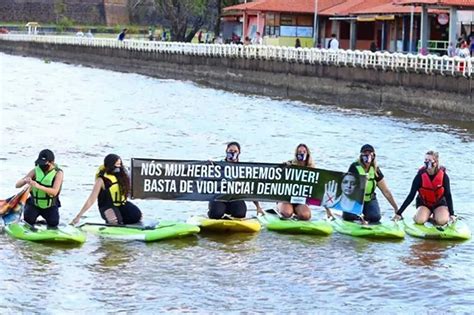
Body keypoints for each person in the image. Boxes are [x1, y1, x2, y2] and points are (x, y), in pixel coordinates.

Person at [71, 154, 142, 225]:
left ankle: (124, 224)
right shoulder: (101, 180)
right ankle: (115, 225)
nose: (118, 167)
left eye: (120, 164)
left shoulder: (122, 177)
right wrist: (78, 216)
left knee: (137, 215)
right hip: (107, 206)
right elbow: (91, 199)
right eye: (116, 164)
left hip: (121, 204)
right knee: (115, 221)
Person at [393, 151, 454, 226]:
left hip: (439, 203)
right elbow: (411, 196)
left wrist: (452, 214)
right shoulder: (419, 176)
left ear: (436, 162)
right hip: (424, 203)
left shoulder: (444, 176)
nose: (427, 162)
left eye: (429, 160)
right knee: (420, 220)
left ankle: (437, 216)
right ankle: (424, 215)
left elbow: (448, 195)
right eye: (426, 160)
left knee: (442, 221)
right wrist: (399, 213)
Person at [343, 144, 398, 223]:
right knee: (350, 217)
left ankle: (365, 215)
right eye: (365, 153)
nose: (367, 156)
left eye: (370, 154)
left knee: (375, 217)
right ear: (361, 156)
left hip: (369, 199)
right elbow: (348, 187)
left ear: (373, 156)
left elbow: (385, 191)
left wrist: (396, 208)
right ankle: (358, 217)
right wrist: (362, 181)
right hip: (355, 199)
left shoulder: (375, 170)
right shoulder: (354, 167)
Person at [208, 142, 263, 219]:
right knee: (216, 214)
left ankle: (230, 215)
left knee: (240, 213)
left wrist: (258, 207)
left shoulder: (243, 169)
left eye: (235, 151)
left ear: (239, 153)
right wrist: (207, 166)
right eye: (230, 150)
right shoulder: (218, 166)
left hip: (234, 198)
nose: (232, 153)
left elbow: (250, 188)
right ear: (226, 151)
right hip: (219, 198)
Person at [15, 149, 64, 227]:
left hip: (50, 205)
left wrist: (38, 186)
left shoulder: (58, 173)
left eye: (45, 163)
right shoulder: (35, 170)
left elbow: (54, 192)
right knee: (28, 220)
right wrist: (25, 180)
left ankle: (43, 221)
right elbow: (17, 185)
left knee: (53, 223)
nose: (42, 165)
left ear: (52, 162)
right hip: (34, 204)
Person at [277, 144, 315, 220]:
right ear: (296, 154)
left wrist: (328, 211)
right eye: (299, 152)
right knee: (286, 213)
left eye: (304, 151)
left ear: (307, 154)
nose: (301, 153)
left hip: (300, 200)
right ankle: (280, 208)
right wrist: (283, 167)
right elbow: (277, 175)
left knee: (305, 216)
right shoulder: (290, 164)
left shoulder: (311, 169)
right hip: (286, 198)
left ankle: (296, 212)